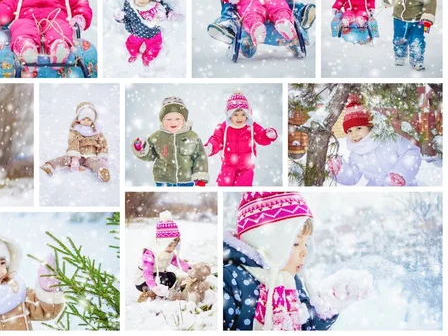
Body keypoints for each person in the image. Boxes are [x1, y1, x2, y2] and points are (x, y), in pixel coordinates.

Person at [223, 191, 372, 330]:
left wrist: (330, 302)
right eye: (295, 243)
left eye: (306, 243)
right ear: (266, 242)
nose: (304, 252)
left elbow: (307, 325)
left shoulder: (290, 282)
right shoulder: (232, 280)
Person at [326, 94, 422, 186]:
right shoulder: (356, 154)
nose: (354, 134)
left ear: (369, 126)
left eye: (358, 128)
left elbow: (411, 153)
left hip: (402, 187)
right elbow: (352, 177)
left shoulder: (388, 139)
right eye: (349, 131)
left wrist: (400, 174)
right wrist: (340, 170)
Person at [131, 96, 209, 186]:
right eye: (168, 119)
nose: (173, 122)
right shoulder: (157, 136)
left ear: (184, 120)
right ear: (162, 120)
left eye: (177, 119)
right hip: (163, 179)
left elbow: (200, 157)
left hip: (186, 180)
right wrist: (141, 148)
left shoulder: (192, 136)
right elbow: (150, 155)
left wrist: (200, 178)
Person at [205, 92, 278, 186]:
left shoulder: (251, 126)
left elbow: (260, 136)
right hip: (228, 165)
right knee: (224, 185)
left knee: (243, 186)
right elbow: (216, 139)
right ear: (229, 114)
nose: (240, 118)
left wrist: (267, 135)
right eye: (235, 114)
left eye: (243, 114)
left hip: (246, 167)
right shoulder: (224, 127)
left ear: (247, 114)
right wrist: (210, 147)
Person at [382, 0, 438, 71]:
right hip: (398, 18)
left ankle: (417, 60)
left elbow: (430, 3)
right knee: (399, 39)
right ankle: (400, 56)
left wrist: (427, 19)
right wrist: (387, 2)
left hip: (417, 20)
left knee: (417, 41)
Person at [113, 0, 181, 67]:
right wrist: (120, 18)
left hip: (153, 34)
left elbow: (165, 9)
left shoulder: (154, 5)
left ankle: (147, 58)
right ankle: (134, 54)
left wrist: (170, 13)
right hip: (136, 33)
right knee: (131, 45)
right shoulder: (130, 8)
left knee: (154, 49)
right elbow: (126, 19)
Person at [41, 102, 110, 182]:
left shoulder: (97, 131)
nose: (86, 122)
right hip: (78, 155)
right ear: (79, 119)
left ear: (93, 120)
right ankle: (50, 166)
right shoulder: (75, 130)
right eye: (83, 119)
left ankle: (102, 171)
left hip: (91, 156)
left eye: (89, 119)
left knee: (95, 163)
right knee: (65, 159)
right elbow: (73, 143)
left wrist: (102, 158)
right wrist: (74, 158)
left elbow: (102, 144)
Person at [134, 211, 191, 301]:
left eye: (174, 246)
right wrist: (153, 286)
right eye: (169, 245)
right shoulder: (149, 254)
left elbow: (178, 262)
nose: (171, 248)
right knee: (162, 277)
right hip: (144, 280)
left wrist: (190, 270)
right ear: (162, 242)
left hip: (158, 276)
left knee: (171, 276)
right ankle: (150, 292)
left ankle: (163, 290)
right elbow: (147, 273)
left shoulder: (169, 252)